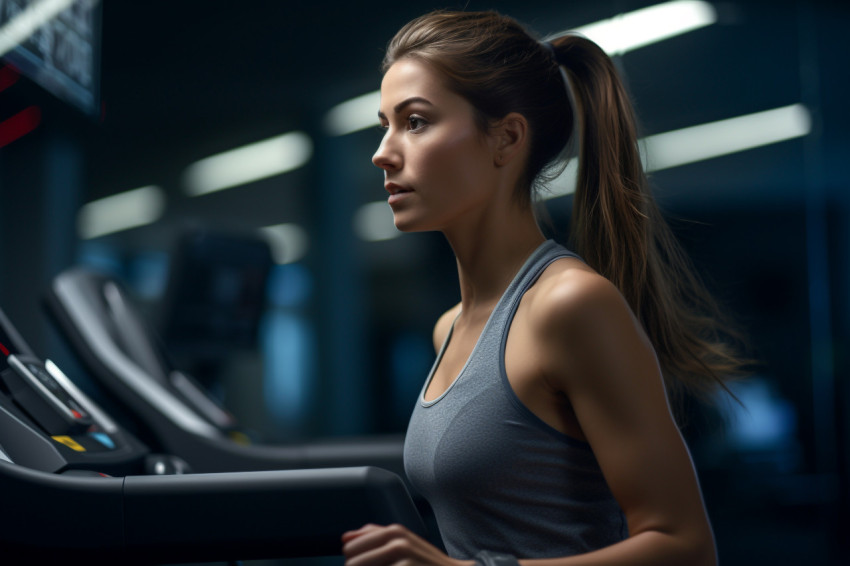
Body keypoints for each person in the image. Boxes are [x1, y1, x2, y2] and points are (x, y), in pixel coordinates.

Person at [342, 9, 744, 566]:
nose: (382, 151)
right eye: (383, 124)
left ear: (506, 137)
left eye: (414, 122)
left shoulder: (570, 304)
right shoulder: (449, 328)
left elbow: (686, 548)